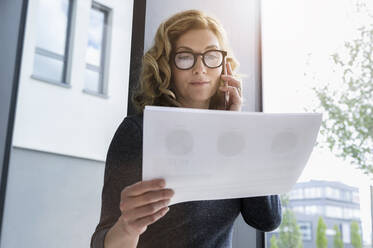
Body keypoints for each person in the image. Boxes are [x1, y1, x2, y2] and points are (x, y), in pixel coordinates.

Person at [91, 9, 281, 248]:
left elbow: (267, 219)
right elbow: (102, 240)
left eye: (211, 56)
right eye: (184, 57)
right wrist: (127, 227)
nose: (200, 68)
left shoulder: (234, 137)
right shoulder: (138, 131)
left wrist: (238, 127)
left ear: (225, 66)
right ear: (165, 65)